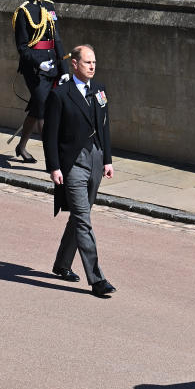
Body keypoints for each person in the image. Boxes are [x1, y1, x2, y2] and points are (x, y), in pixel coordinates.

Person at [42, 45, 115, 297]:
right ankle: (96, 278)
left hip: (95, 158)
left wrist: (107, 159)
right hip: (72, 163)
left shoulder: (99, 90)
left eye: (94, 62)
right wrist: (53, 166)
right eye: (87, 62)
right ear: (74, 64)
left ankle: (62, 263)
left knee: (80, 216)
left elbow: (104, 127)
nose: (92, 66)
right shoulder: (61, 94)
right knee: (84, 219)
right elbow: (49, 135)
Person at [12, 0, 67, 163]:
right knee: (43, 110)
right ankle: (53, 160)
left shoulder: (49, 6)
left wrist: (64, 68)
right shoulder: (22, 12)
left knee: (37, 108)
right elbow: (22, 47)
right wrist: (38, 64)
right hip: (34, 69)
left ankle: (21, 146)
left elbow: (56, 40)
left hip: (52, 63)